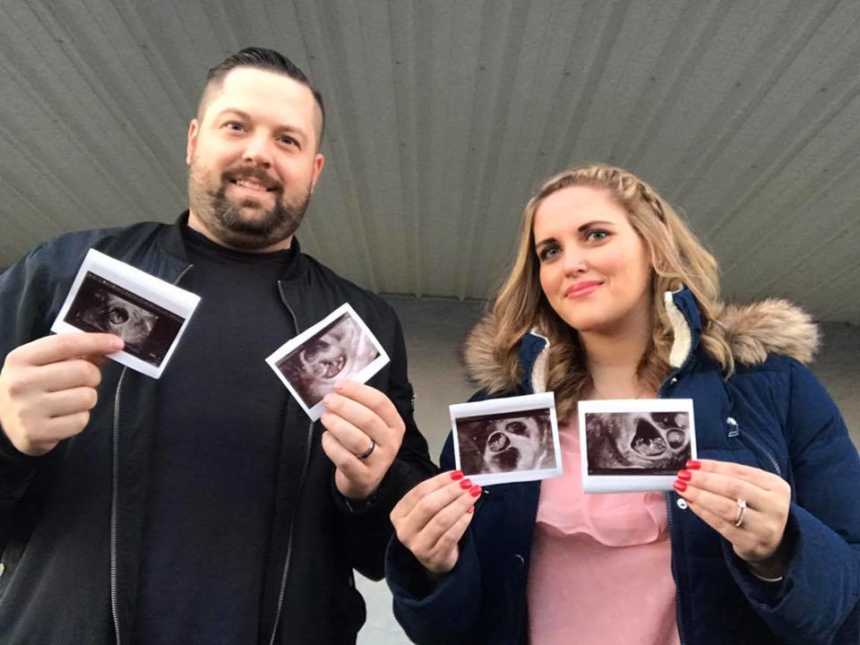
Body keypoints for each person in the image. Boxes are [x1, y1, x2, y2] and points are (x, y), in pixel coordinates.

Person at [0, 47, 435, 644]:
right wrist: (7, 441)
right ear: (194, 139)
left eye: (288, 140)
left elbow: (383, 551)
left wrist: (373, 489)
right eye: (237, 126)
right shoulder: (65, 272)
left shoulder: (362, 324)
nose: (258, 152)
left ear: (315, 169)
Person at [385, 164, 860, 644]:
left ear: (653, 245)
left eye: (595, 235)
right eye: (550, 251)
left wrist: (781, 551)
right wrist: (430, 569)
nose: (570, 263)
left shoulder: (771, 389)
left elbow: (849, 596)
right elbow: (449, 630)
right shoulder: (500, 415)